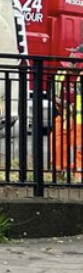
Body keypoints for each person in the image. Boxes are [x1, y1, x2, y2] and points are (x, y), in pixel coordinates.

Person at [52, 45, 83, 182]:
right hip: (63, 115)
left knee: (79, 146)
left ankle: (78, 175)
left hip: (79, 119)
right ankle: (59, 171)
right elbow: (53, 94)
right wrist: (60, 103)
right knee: (56, 140)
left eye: (73, 61)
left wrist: (71, 108)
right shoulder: (61, 73)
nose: (69, 63)